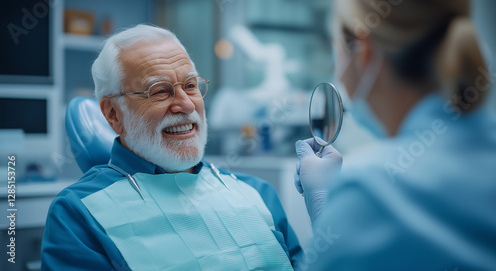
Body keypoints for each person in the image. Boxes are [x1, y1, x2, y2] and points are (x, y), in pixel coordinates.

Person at [41, 24, 301, 271]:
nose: (187, 105)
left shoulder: (257, 193)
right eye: (160, 91)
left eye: (190, 86)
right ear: (113, 114)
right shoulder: (78, 213)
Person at [294, 0, 496, 270]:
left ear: (364, 53)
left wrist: (327, 213)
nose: (338, 72)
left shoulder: (369, 193)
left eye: (338, 51)